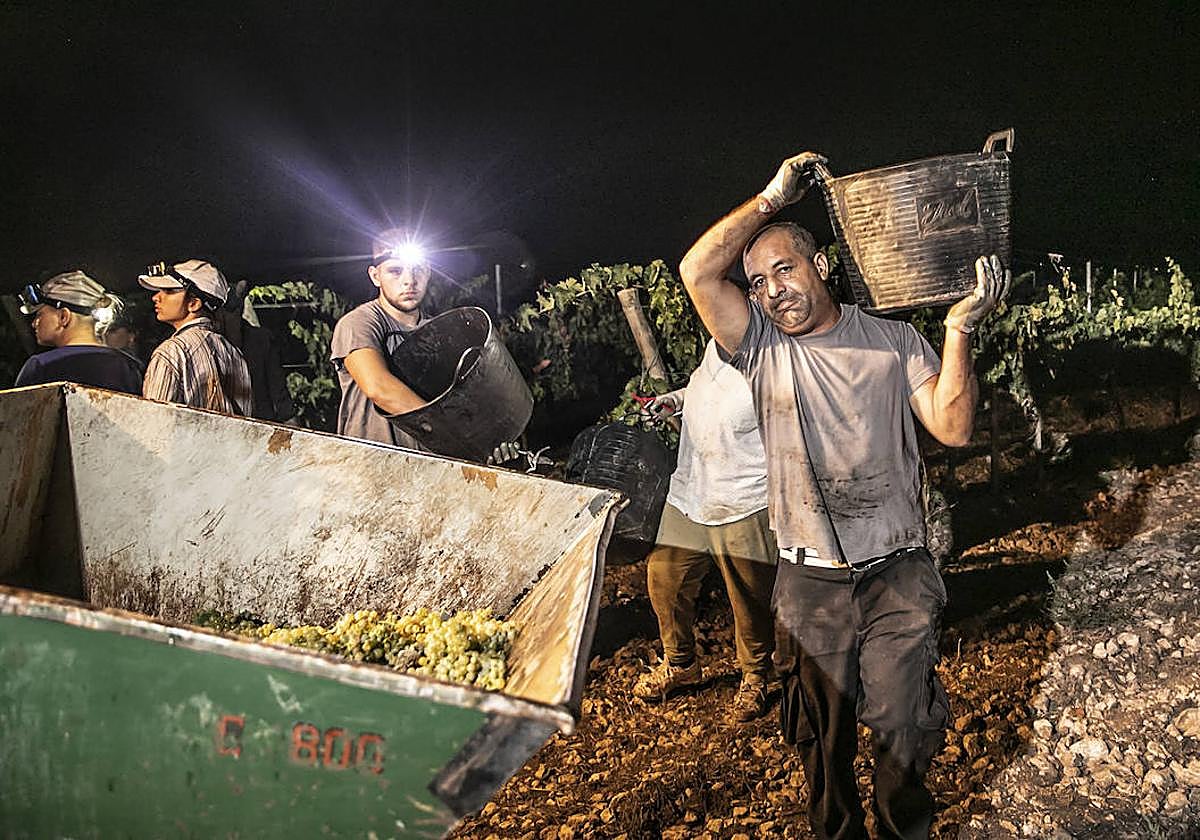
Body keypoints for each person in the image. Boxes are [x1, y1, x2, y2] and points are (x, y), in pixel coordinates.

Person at [677, 151, 1009, 839]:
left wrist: (959, 329)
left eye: (785, 270)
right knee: (821, 743)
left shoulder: (893, 340)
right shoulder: (760, 346)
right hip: (810, 578)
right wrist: (771, 197)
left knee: (903, 729)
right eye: (759, 283)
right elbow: (697, 271)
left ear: (821, 265)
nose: (773, 292)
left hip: (897, 571)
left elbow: (953, 425)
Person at [632, 337, 778, 722]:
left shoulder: (773, 350)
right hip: (691, 491)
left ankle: (757, 674)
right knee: (664, 578)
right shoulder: (716, 340)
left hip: (745, 496)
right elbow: (706, 391)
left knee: (749, 595)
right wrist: (676, 402)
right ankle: (680, 662)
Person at [330, 228, 432, 449]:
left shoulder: (439, 331)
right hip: (371, 468)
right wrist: (451, 434)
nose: (409, 281)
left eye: (418, 270)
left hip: (428, 470)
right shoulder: (359, 323)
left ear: (429, 272)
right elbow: (379, 387)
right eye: (395, 271)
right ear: (375, 276)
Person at [138, 259, 252, 416]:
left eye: (169, 291)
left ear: (193, 303)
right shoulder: (233, 352)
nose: (156, 297)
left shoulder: (172, 352)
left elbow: (154, 423)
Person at [15, 270, 143, 394]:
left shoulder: (41, 366)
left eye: (39, 315)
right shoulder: (128, 367)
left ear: (63, 317)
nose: (34, 323)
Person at [214, 279, 297, 423]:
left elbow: (279, 392)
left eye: (233, 311)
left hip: (259, 425)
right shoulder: (209, 342)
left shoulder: (261, 340)